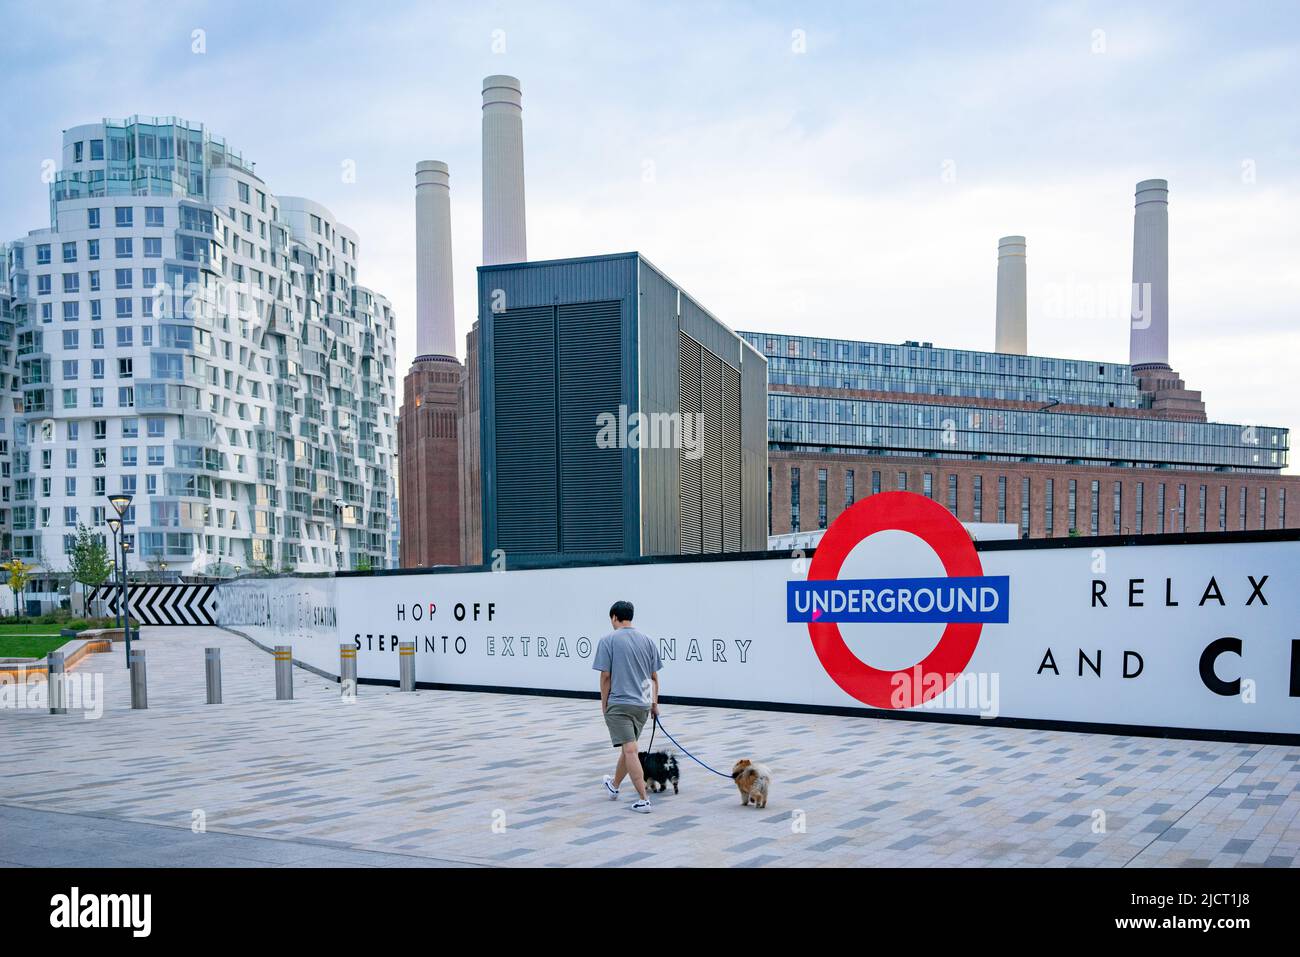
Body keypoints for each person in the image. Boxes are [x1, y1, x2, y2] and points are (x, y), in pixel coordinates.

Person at [593, 599, 662, 813]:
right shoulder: (648, 640)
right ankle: (613, 785)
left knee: (630, 749)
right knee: (628, 748)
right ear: (630, 617)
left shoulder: (608, 640)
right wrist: (654, 704)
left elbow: (606, 676)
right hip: (642, 705)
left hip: (620, 704)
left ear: (614, 617)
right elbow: (654, 678)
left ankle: (643, 799)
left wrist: (604, 703)